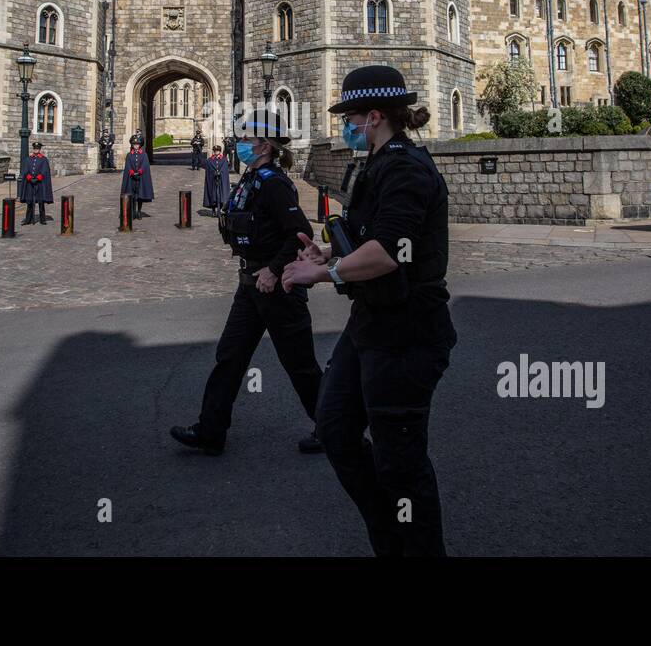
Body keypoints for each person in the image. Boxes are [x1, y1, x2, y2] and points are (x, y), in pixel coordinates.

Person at [282, 65, 456, 556]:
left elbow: (389, 251)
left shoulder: (404, 167)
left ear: (374, 116)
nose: (345, 126)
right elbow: (365, 242)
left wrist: (323, 274)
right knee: (335, 428)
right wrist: (330, 256)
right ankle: (391, 539)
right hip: (371, 325)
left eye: (350, 117)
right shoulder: (375, 163)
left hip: (407, 333)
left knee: (401, 464)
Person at [171, 115, 324, 456]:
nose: (240, 144)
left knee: (299, 363)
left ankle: (335, 429)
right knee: (230, 356)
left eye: (248, 139)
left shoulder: (274, 183)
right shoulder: (251, 179)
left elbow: (301, 234)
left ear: (265, 146)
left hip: (277, 285)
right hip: (250, 282)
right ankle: (211, 431)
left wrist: (273, 269)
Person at [19, 141, 54, 225]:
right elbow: (25, 171)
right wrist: (29, 178)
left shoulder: (43, 159)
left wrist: (38, 178)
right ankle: (28, 219)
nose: (36, 150)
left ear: (40, 149)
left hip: (40, 184)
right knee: (30, 202)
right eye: (35, 148)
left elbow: (45, 171)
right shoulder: (28, 159)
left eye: (37, 148)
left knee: (41, 202)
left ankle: (42, 219)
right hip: (30, 184)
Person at [120, 139, 154, 220]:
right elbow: (128, 165)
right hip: (131, 178)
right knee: (132, 195)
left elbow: (145, 164)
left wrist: (140, 171)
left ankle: (139, 211)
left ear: (140, 145)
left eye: (137, 144)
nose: (136, 145)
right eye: (134, 144)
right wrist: (131, 171)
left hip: (140, 177)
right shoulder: (129, 155)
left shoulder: (144, 154)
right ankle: (133, 212)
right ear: (132, 145)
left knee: (139, 196)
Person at [201, 145, 231, 216]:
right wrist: (213, 173)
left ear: (220, 151)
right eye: (215, 151)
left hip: (221, 180)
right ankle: (213, 209)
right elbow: (208, 172)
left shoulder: (224, 160)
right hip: (213, 181)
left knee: (220, 195)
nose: (216, 152)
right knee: (213, 195)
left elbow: (225, 171)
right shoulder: (209, 160)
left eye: (217, 151)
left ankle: (219, 209)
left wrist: (221, 173)